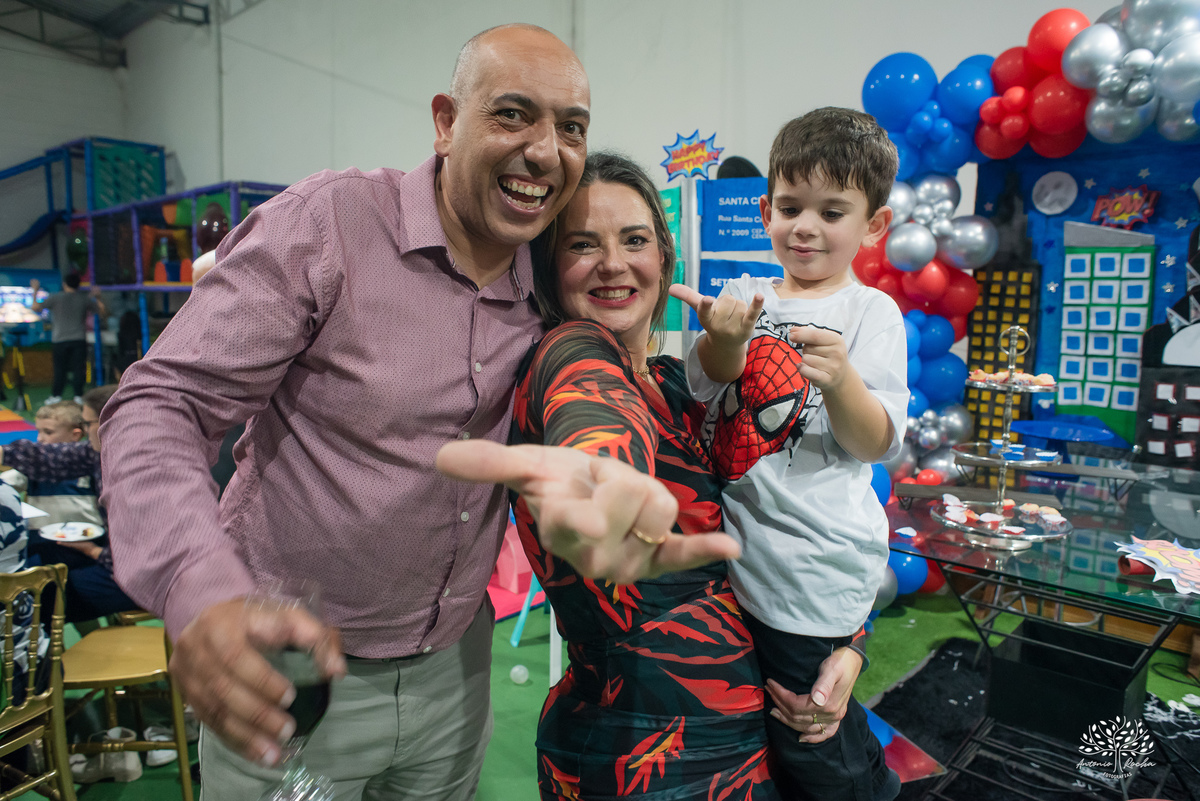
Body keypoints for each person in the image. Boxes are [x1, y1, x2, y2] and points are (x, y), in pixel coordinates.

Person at [100, 24, 734, 800]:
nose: (545, 150)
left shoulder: (546, 273)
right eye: (512, 115)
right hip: (293, 662)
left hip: (456, 673)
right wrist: (198, 588)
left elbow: (590, 379)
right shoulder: (331, 226)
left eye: (571, 127)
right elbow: (159, 403)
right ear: (445, 121)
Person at [507, 151, 871, 799]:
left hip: (753, 733)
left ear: (664, 257)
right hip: (647, 757)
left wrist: (845, 643)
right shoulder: (568, 354)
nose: (613, 263)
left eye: (634, 240)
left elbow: (788, 513)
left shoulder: (679, 385)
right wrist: (606, 486)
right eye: (582, 244)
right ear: (546, 266)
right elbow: (595, 422)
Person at [672, 107, 908, 801]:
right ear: (765, 210)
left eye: (831, 212)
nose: (805, 226)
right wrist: (724, 340)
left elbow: (876, 442)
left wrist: (842, 384)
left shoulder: (871, 313)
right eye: (790, 207)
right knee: (759, 735)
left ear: (873, 225)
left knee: (813, 737)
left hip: (812, 572)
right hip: (739, 564)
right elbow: (705, 385)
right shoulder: (744, 295)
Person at [0, 385, 139, 624]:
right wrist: (5, 453)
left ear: (110, 422)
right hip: (114, 559)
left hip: (137, 575)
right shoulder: (99, 451)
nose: (85, 431)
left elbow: (141, 549)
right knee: (42, 573)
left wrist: (94, 552)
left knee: (41, 597)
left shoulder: (136, 467)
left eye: (88, 424)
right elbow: (49, 458)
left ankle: (47, 648)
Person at [0, 400, 103, 534]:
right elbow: (6, 482)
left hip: (87, 536)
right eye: (38, 431)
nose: (40, 438)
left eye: (48, 432)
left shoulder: (89, 465)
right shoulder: (33, 467)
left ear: (75, 435)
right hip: (39, 538)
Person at [30, 273, 105, 404]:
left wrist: (35, 290)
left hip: (59, 339)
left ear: (64, 284)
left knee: (60, 369)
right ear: (79, 285)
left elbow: (35, 307)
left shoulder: (55, 297)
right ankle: (78, 395)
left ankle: (56, 395)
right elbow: (102, 311)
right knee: (78, 369)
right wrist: (98, 297)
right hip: (78, 339)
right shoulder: (84, 299)